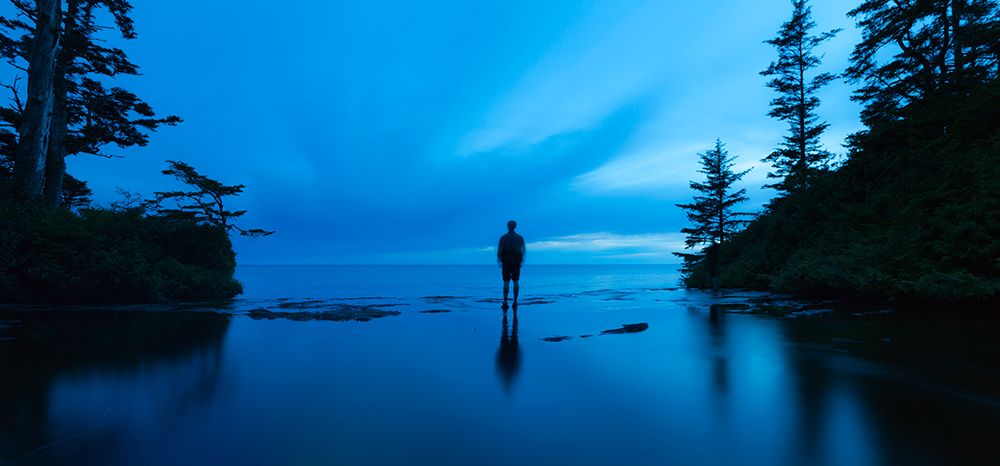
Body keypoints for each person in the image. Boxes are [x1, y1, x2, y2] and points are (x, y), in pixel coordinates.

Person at [496, 220, 525, 309]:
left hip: (506, 261)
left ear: (507, 226)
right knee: (516, 281)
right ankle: (515, 301)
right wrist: (522, 261)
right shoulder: (519, 237)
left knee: (506, 281)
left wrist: (499, 259)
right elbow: (523, 250)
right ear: (515, 226)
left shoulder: (503, 237)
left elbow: (499, 249)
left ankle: (505, 301)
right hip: (516, 261)